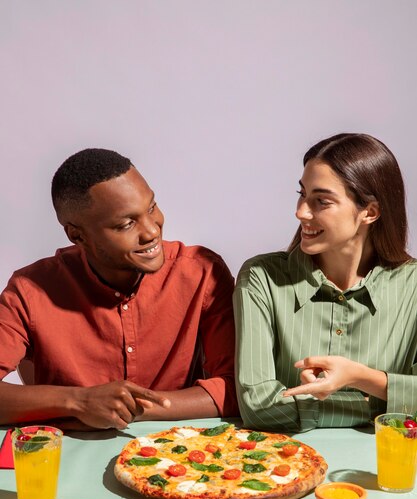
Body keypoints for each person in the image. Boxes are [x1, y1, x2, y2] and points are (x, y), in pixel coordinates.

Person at [0, 148, 238, 429]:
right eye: (126, 224)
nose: (151, 231)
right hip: (68, 456)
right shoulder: (30, 291)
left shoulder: (201, 272)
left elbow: (236, 388)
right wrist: (79, 402)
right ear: (78, 235)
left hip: (181, 454)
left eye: (151, 208)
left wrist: (130, 410)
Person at [234, 133, 417, 432]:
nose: (301, 211)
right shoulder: (261, 278)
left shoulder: (413, 287)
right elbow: (258, 408)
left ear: (369, 212)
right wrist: (387, 403)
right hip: (284, 469)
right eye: (302, 194)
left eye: (321, 201)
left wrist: (359, 377)